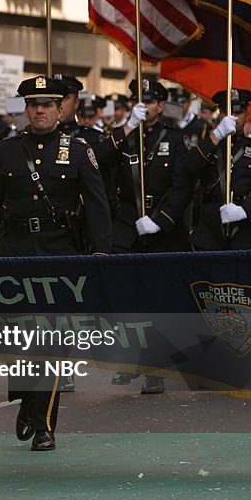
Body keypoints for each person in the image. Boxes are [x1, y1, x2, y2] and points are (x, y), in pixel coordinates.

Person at [0, 75, 112, 452]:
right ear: (25, 109)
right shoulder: (7, 151)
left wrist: (100, 254)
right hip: (16, 252)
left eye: (47, 104)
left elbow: (98, 207)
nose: (40, 111)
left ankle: (45, 423)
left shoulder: (79, 151)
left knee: (51, 338)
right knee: (20, 339)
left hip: (60, 252)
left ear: (60, 109)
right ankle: (29, 400)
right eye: (33, 105)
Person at [96, 80, 196, 394]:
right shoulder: (123, 135)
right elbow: (97, 159)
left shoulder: (176, 139)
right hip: (127, 226)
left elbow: (182, 186)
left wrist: (160, 221)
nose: (146, 106)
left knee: (159, 300)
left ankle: (156, 367)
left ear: (161, 106)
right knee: (128, 299)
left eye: (151, 101)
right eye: (140, 100)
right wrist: (128, 127)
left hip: (160, 227)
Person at [185, 89, 251, 251]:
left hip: (248, 230)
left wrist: (245, 210)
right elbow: (190, 167)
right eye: (227, 112)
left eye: (238, 112)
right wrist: (217, 135)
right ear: (220, 115)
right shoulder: (208, 145)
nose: (233, 117)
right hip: (211, 230)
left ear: (247, 115)